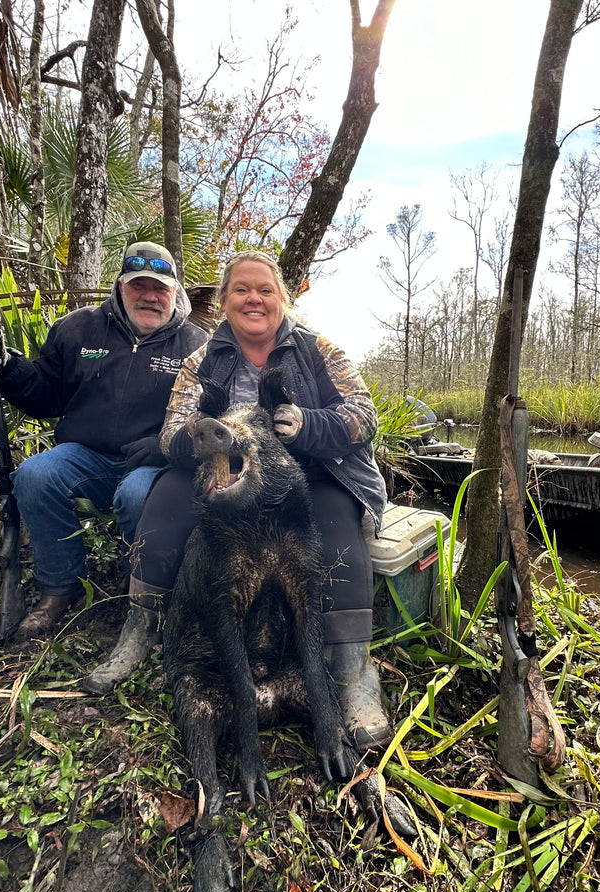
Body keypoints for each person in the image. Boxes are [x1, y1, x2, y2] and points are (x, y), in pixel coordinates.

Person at [82, 251, 393, 751]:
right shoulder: (202, 359)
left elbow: (363, 415)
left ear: (281, 299)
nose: (254, 298)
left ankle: (352, 669)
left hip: (312, 474)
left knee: (337, 533)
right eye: (242, 290)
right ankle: (140, 631)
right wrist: (202, 439)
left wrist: (308, 425)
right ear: (223, 301)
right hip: (225, 473)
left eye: (265, 290)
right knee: (163, 503)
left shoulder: (319, 350)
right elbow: (169, 435)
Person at [0, 241, 209, 644]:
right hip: (85, 456)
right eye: (139, 285)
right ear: (120, 286)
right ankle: (61, 588)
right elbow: (45, 394)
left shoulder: (196, 343)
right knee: (35, 475)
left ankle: (148, 598)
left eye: (160, 288)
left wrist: (165, 445)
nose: (149, 296)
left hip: (152, 462)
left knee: (136, 497)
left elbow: (206, 415)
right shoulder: (78, 328)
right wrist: (5, 365)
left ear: (176, 292)